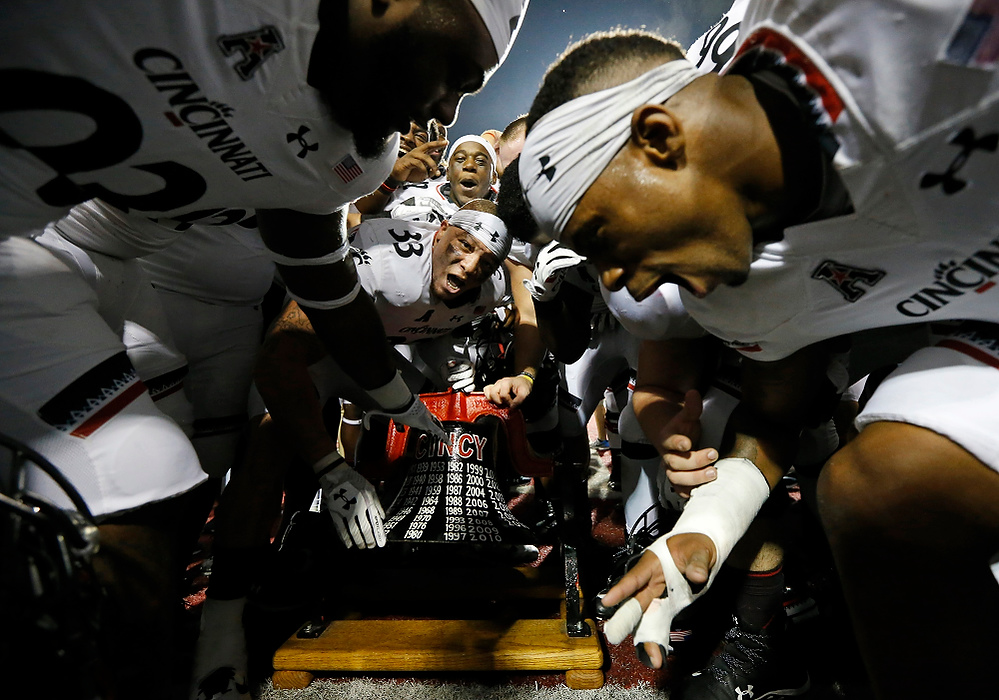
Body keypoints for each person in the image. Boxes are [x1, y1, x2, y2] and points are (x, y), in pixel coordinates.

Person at [0, 1, 529, 697]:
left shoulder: (359, 153)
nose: (450, 110)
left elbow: (323, 285)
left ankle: (189, 641)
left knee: (178, 476)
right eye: (457, 73)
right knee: (135, 477)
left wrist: (400, 402)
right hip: (30, 249)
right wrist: (336, 460)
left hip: (132, 276)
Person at [509, 4, 999, 697]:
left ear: (657, 138)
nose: (625, 283)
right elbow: (773, 413)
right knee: (879, 493)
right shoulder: (732, 289)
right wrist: (705, 531)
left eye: (604, 240)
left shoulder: (879, 22)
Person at [191, 199, 512, 697]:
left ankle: (389, 550)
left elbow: (431, 324)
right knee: (268, 446)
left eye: (485, 262)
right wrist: (330, 467)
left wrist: (447, 378)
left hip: (378, 359)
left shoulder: (486, 291)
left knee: (443, 429)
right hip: (317, 352)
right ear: (441, 230)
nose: (470, 267)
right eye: (464, 246)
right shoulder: (386, 256)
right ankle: (222, 628)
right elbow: (281, 360)